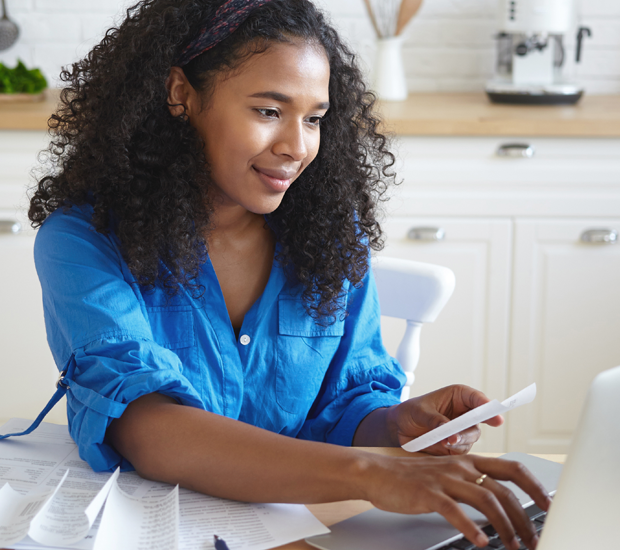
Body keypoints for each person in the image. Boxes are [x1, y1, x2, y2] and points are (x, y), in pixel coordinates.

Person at [25, 1, 550, 549]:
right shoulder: (84, 239)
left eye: (314, 118)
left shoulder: (329, 236)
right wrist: (371, 473)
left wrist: (395, 426)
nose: (297, 147)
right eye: (268, 112)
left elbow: (342, 405)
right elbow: (148, 429)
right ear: (181, 94)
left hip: (305, 531)